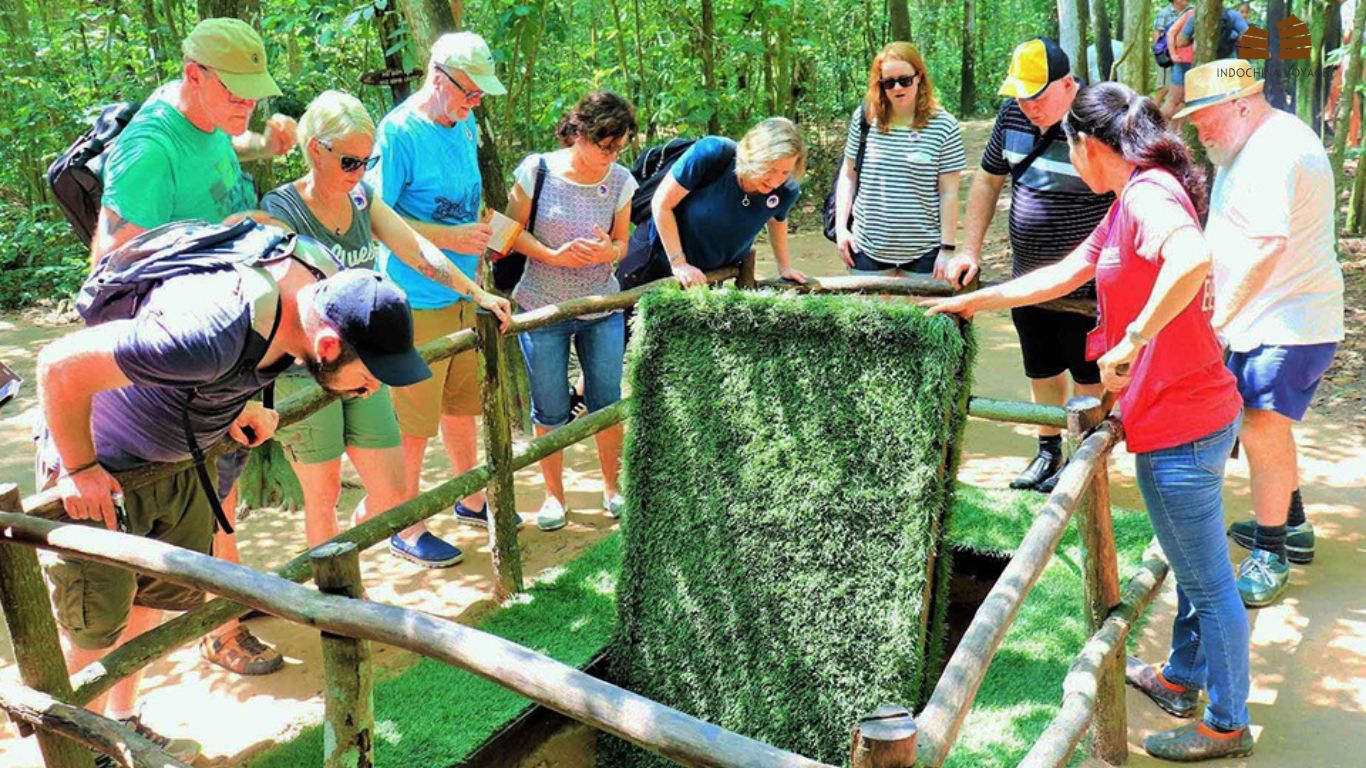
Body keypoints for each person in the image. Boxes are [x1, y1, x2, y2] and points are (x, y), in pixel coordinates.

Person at [927, 82, 1252, 763]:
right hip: (1185, 413)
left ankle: (1226, 723)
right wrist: (978, 300)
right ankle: (1181, 679)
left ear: (1088, 146)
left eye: (1067, 145)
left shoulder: (1148, 195)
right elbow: (1062, 274)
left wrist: (1131, 339)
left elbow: (1190, 259)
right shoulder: (1128, 199)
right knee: (1195, 568)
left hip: (1182, 422)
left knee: (1208, 584)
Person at [37, 225, 432, 765]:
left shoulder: (317, 281)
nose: (373, 389)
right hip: (104, 469)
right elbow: (58, 366)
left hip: (179, 460)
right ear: (329, 346)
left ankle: (117, 725)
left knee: (150, 599)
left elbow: (250, 358)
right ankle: (75, 755)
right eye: (369, 375)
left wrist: (233, 404)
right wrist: (79, 466)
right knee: (94, 626)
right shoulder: (207, 334)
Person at [91, 17, 297, 677]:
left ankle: (225, 605)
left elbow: (224, 155)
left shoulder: (210, 121)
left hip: (224, 346)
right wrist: (227, 237)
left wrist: (265, 144)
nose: (247, 104)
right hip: (180, 355)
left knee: (223, 495)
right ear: (193, 75)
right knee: (207, 499)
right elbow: (112, 260)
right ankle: (220, 628)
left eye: (254, 92)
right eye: (236, 91)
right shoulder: (149, 148)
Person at [261, 90, 513, 565]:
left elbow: (417, 250)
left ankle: (394, 530)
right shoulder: (280, 211)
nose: (360, 172)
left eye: (368, 160)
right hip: (307, 366)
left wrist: (475, 292)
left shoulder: (361, 196)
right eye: (351, 161)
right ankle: (338, 600)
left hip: (364, 362)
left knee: (390, 484)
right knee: (325, 490)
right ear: (316, 149)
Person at [1179, 62, 1345, 607]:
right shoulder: (1245, 145)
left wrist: (1218, 319)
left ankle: (1271, 552)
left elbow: (1268, 244)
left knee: (1259, 426)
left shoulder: (1275, 151)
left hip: (1288, 320)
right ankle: (1292, 524)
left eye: (1205, 121)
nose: (1199, 134)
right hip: (1267, 317)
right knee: (1266, 428)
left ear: (1242, 105)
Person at [944, 37, 1111, 493]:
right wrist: (970, 250)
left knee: (1088, 373)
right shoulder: (1013, 117)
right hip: (1028, 280)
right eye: (1019, 94)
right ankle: (1047, 451)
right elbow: (987, 181)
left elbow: (1126, 196)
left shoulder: (1097, 121)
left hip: (1090, 286)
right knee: (1041, 367)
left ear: (1068, 85)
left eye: (1036, 95)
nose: (1027, 105)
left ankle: (1086, 458)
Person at [365, 31, 509, 530]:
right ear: (438, 76)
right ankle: (407, 525)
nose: (475, 103)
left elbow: (460, 201)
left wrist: (480, 231)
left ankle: (469, 500)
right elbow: (375, 215)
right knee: (413, 424)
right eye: (469, 92)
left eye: (480, 95)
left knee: (460, 407)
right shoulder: (398, 132)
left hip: (462, 291)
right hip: (413, 298)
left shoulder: (463, 124)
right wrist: (451, 237)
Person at [501, 92, 637, 531]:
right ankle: (553, 496)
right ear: (579, 134)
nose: (611, 156)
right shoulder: (537, 170)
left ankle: (612, 488)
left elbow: (623, 243)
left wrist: (608, 250)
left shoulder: (620, 181)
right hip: (542, 305)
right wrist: (551, 254)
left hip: (601, 303)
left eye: (619, 147)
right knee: (551, 406)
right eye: (605, 146)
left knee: (606, 399)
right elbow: (507, 231)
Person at [624, 117, 808, 288]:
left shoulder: (786, 190)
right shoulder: (712, 153)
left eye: (784, 173)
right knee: (621, 318)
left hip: (708, 277)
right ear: (755, 156)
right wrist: (679, 263)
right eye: (770, 169)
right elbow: (661, 203)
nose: (775, 181)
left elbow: (777, 220)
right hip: (653, 259)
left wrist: (784, 267)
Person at [833, 42, 965, 276]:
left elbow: (949, 192)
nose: (897, 88)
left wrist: (947, 248)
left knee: (926, 313)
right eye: (888, 82)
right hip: (867, 245)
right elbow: (848, 174)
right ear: (880, 85)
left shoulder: (944, 125)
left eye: (904, 80)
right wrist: (841, 229)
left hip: (925, 248)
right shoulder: (866, 118)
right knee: (869, 314)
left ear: (919, 77)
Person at [1153, 0, 1192, 106]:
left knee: (1179, 88)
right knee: (1164, 87)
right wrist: (1160, 55)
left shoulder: (1190, 12)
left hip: (1182, 56)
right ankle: (1151, 112)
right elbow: (1157, 34)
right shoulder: (1164, 14)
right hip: (1167, 56)